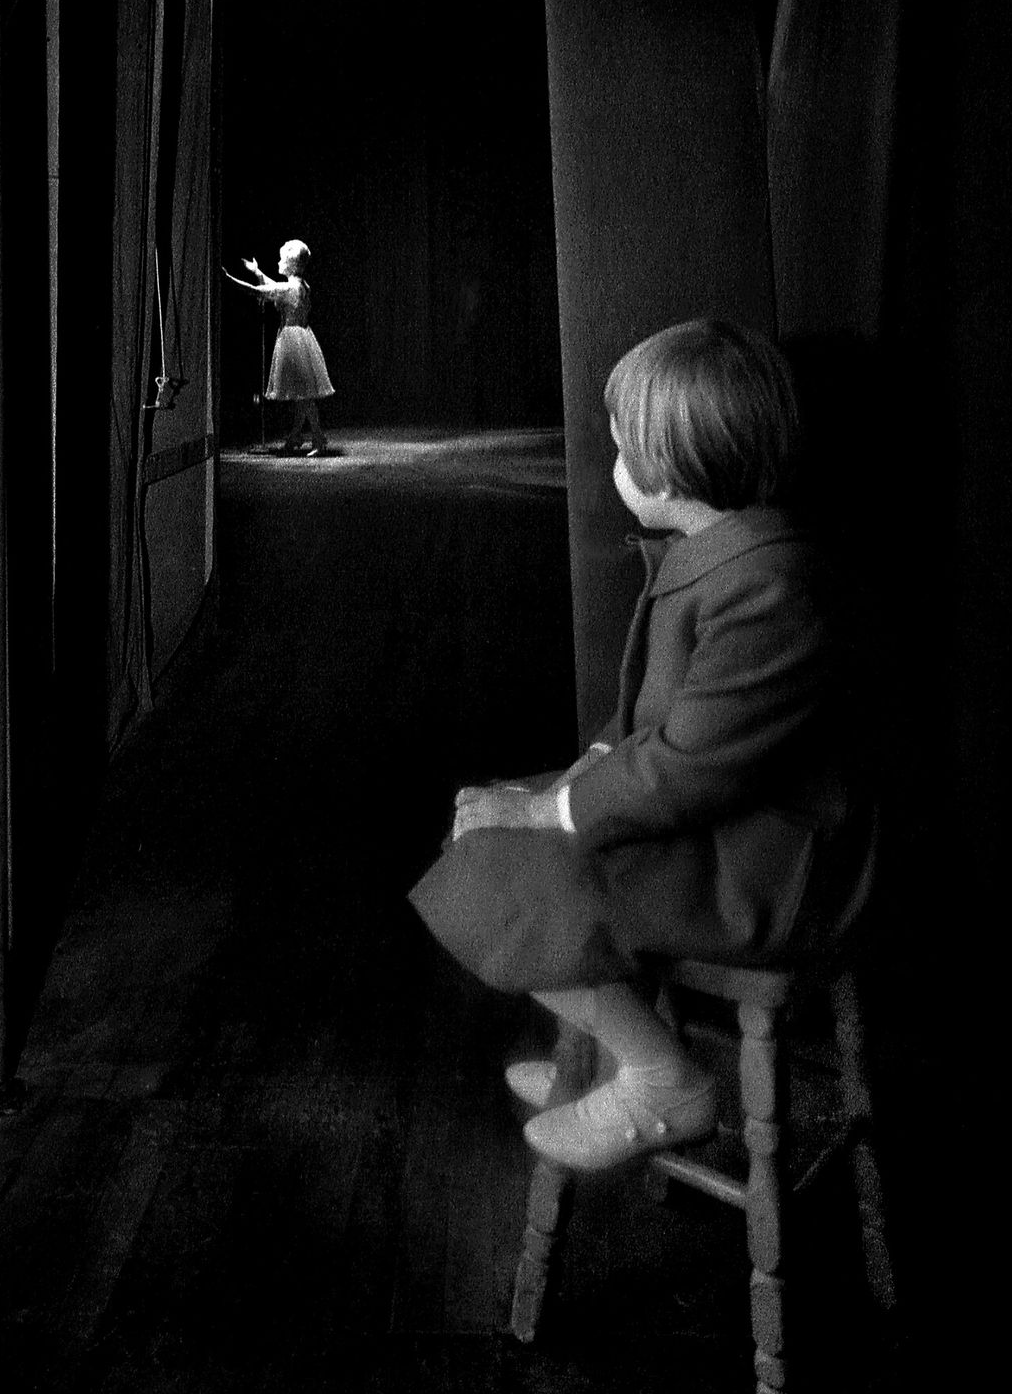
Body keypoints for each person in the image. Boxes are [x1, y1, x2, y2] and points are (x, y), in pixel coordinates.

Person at [408, 318, 870, 1172]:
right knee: (490, 833)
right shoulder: (730, 555)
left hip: (762, 860)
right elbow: (662, 730)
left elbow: (694, 768)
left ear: (671, 466)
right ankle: (615, 1052)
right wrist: (573, 779)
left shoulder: (765, 585)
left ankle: (663, 1078)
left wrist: (550, 808)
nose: (613, 465)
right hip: (711, 815)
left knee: (500, 872)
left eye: (621, 448)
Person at [224, 239, 334, 455]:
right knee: (301, 394)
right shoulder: (301, 285)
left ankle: (318, 437)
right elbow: (272, 287)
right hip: (302, 337)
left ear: (291, 265)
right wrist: (257, 271)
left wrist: (228, 279)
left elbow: (260, 292)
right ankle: (296, 435)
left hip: (293, 342)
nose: (279, 261)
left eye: (282, 259)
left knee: (303, 395)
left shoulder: (288, 288)